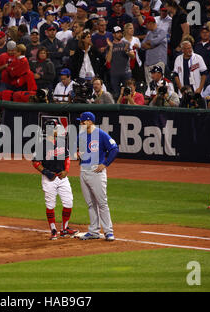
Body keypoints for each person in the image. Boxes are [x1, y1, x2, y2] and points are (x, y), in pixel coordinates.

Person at [32, 118, 77, 240]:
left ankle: (64, 228)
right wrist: (46, 172)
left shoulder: (62, 142)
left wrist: (66, 170)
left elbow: (67, 158)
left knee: (68, 202)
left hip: (62, 178)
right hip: (48, 179)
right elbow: (35, 162)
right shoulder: (42, 145)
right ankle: (53, 229)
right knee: (50, 204)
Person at [76, 112, 118, 241]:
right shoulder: (81, 135)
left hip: (96, 172)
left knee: (102, 202)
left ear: (89, 122)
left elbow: (114, 149)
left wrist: (105, 164)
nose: (80, 124)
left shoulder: (101, 134)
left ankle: (108, 231)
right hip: (83, 170)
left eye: (82, 122)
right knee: (90, 203)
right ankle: (94, 231)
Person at [106, 26, 135, 100]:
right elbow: (108, 60)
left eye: (120, 32)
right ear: (113, 34)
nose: (120, 34)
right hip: (114, 74)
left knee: (128, 93)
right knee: (116, 95)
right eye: (117, 33)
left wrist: (126, 51)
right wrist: (111, 47)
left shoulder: (126, 43)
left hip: (126, 73)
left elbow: (133, 56)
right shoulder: (109, 46)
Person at [141, 15, 168, 86]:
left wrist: (150, 43)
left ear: (150, 23)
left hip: (158, 62)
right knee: (150, 86)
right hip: (148, 63)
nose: (146, 27)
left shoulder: (162, 31)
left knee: (159, 84)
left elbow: (156, 42)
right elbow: (142, 45)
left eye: (146, 24)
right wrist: (150, 45)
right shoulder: (149, 33)